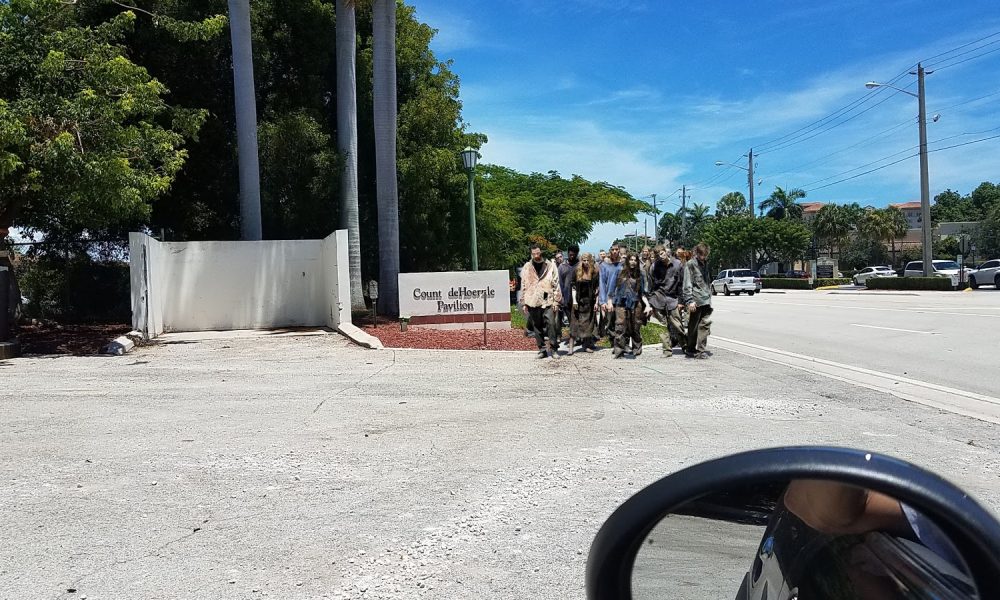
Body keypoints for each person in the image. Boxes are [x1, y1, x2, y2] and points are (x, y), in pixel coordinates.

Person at [520, 244, 562, 359]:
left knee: (551, 324)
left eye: (537, 253)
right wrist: (523, 303)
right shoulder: (527, 267)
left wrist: (556, 301)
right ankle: (542, 349)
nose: (536, 255)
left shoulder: (550, 265)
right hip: (532, 300)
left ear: (541, 253)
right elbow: (523, 285)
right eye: (533, 254)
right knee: (536, 326)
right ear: (531, 254)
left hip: (547, 300)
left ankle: (553, 349)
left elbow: (556, 284)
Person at [611, 252, 651, 358]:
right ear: (627, 260)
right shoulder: (619, 271)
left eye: (635, 260)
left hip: (635, 303)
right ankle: (619, 350)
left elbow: (642, 292)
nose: (633, 262)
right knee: (620, 327)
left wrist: (647, 305)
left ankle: (637, 349)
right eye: (631, 259)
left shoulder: (640, 274)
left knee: (635, 326)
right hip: (621, 302)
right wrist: (609, 301)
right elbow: (611, 288)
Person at [647, 246, 685, 356]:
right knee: (662, 326)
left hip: (673, 299)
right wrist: (650, 303)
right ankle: (667, 349)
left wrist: (681, 301)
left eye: (662, 253)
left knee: (677, 325)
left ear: (666, 252)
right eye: (658, 255)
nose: (661, 256)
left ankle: (685, 345)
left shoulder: (677, 264)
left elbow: (681, 283)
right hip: (658, 299)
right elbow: (651, 286)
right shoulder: (654, 267)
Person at [681, 243, 713, 359]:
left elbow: (707, 282)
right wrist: (689, 301)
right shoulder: (690, 264)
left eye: (705, 255)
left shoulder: (706, 264)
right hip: (696, 300)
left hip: (706, 300)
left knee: (704, 326)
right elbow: (687, 283)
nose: (703, 257)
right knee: (693, 327)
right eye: (701, 255)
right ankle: (690, 348)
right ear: (697, 253)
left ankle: (701, 350)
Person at [570, 252, 600, 354]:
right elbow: (573, 286)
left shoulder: (594, 272)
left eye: (588, 260)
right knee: (575, 323)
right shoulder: (576, 271)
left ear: (590, 261)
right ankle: (571, 347)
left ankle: (586, 345)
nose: (586, 262)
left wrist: (596, 302)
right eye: (584, 260)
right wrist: (574, 300)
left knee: (589, 324)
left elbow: (597, 288)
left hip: (590, 302)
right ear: (581, 261)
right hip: (578, 301)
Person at [597, 244, 624, 342]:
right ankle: (614, 343)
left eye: (617, 249)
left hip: (621, 296)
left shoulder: (623, 264)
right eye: (613, 250)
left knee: (621, 320)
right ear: (610, 251)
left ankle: (621, 342)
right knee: (611, 321)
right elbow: (602, 283)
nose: (615, 251)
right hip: (609, 297)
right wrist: (603, 301)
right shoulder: (604, 265)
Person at [557, 245, 579, 346]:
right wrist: (560, 297)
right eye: (570, 252)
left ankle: (577, 337)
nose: (572, 255)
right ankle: (572, 337)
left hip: (578, 297)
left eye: (574, 253)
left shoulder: (580, 265)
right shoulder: (562, 267)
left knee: (576, 318)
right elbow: (559, 283)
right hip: (566, 297)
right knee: (570, 319)